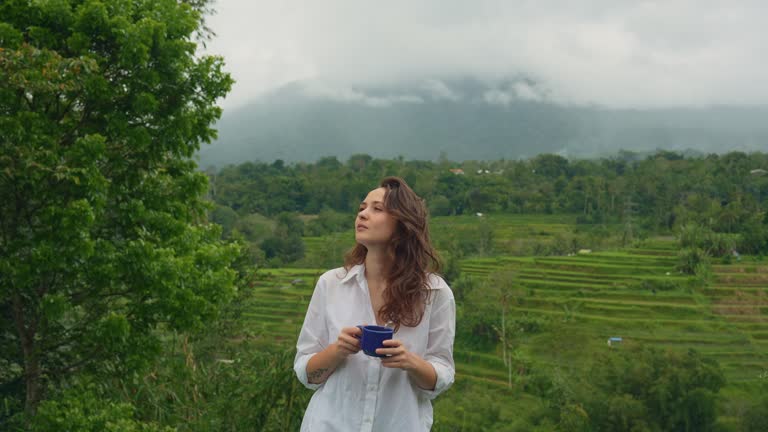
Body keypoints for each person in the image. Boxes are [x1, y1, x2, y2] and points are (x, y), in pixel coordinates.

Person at [294, 176, 456, 431]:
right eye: (362, 208)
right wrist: (338, 350)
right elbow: (306, 373)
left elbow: (442, 376)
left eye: (376, 209)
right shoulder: (331, 284)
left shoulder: (435, 293)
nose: (363, 215)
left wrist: (409, 361)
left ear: (403, 224)